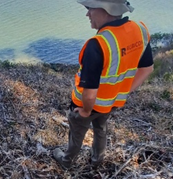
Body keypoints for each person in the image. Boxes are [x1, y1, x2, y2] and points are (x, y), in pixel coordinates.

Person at [53, 0, 154, 169]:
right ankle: (96, 161)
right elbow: (147, 69)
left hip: (87, 105)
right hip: (112, 102)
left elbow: (90, 92)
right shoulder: (140, 30)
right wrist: (121, 92)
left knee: (77, 135)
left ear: (106, 11)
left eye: (90, 9)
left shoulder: (97, 44)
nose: (87, 14)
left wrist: (85, 110)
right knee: (101, 129)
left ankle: (66, 162)